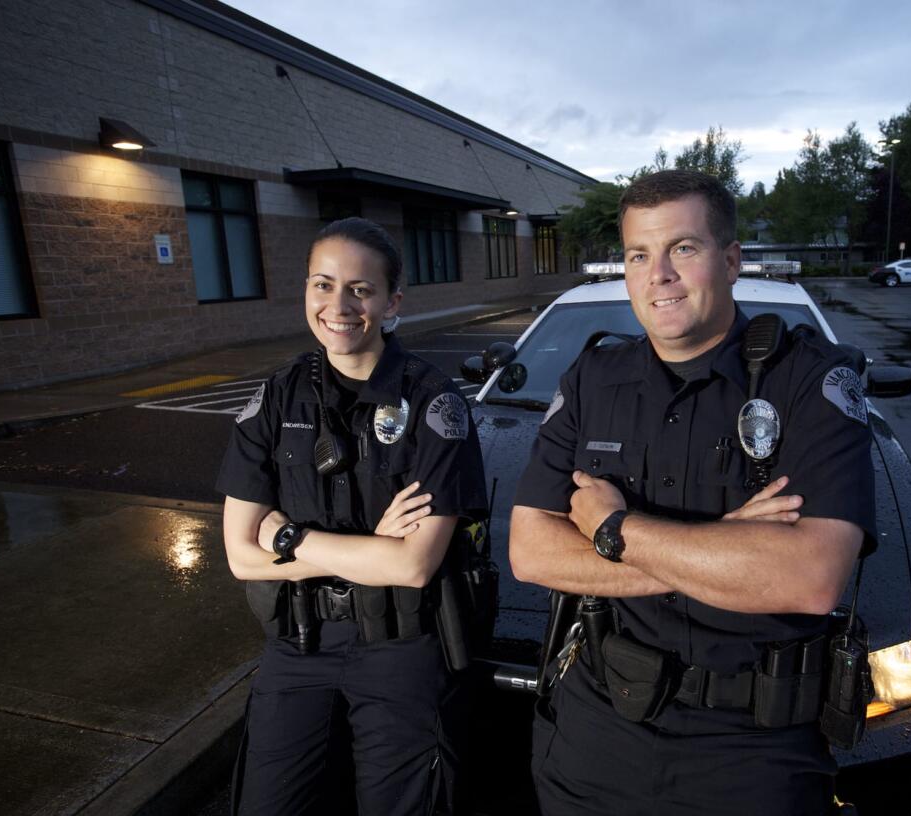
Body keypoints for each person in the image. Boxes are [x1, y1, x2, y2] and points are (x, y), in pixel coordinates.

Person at [509, 170, 876, 815]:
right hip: (599, 724)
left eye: (683, 248)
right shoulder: (592, 379)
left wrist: (615, 531)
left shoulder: (810, 380)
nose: (659, 276)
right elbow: (531, 553)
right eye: (638, 255)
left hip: (754, 752)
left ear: (731, 260)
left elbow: (810, 578)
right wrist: (723, 549)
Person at [217, 217, 488, 815]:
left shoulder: (433, 404)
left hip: (401, 646)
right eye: (323, 284)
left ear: (391, 301)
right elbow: (240, 557)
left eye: (359, 289)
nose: (338, 305)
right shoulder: (278, 395)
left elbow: (414, 565)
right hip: (298, 644)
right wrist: (372, 550)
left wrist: (286, 534)